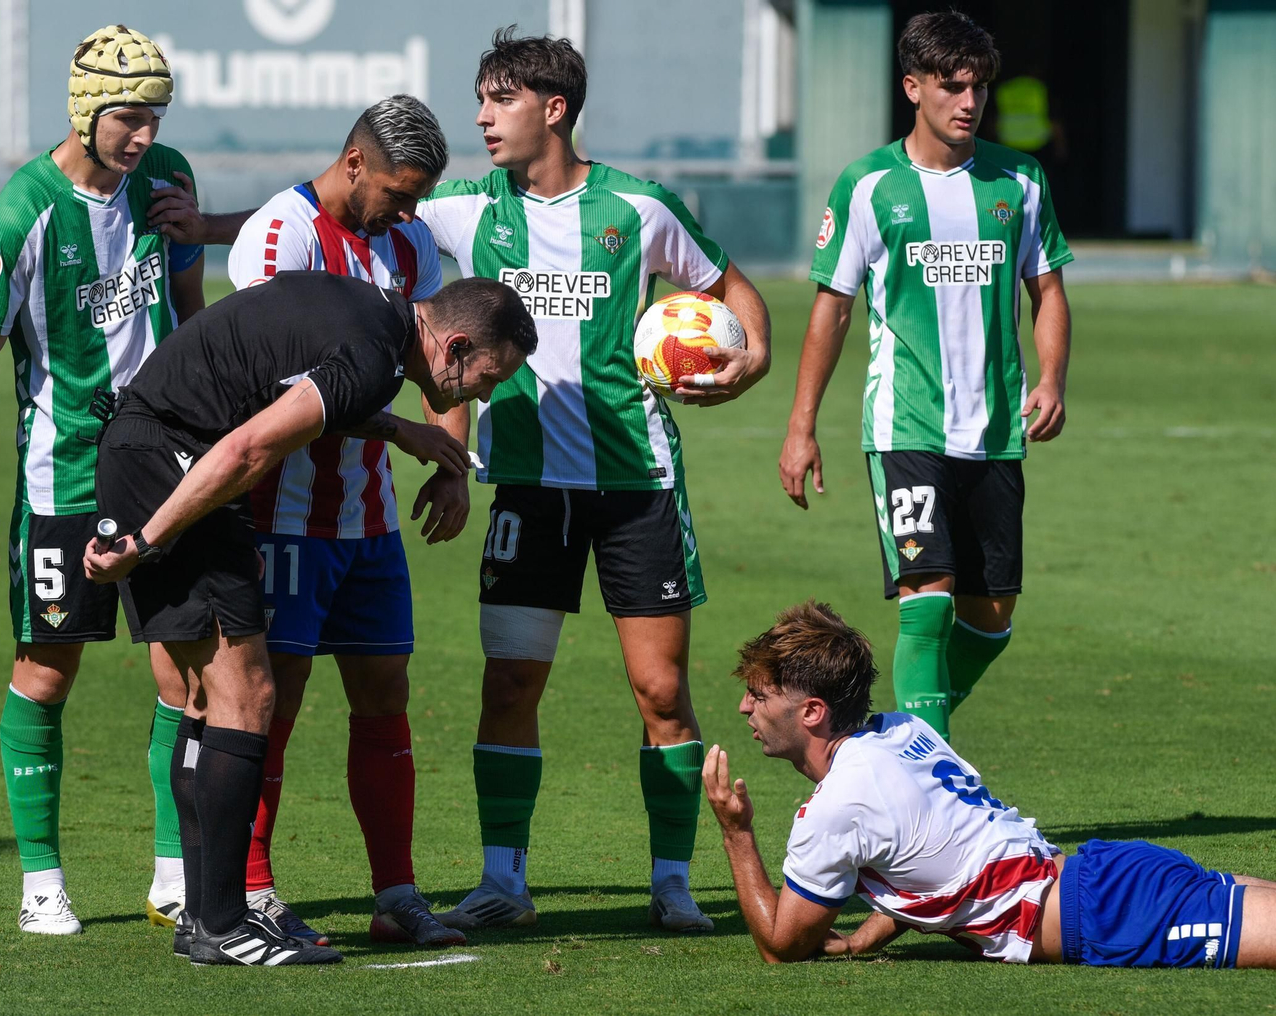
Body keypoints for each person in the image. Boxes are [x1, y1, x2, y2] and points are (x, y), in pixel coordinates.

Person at [406, 27, 772, 935]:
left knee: (660, 692)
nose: (484, 118)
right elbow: (355, 216)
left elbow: (730, 286)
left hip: (635, 485)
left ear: (554, 108)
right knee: (510, 685)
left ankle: (672, 882)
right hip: (526, 487)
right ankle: (503, 879)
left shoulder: (638, 208)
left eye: (501, 100)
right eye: (482, 100)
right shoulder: (461, 211)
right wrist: (452, 460)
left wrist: (752, 357)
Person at [82, 272, 536, 966]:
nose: (485, 392)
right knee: (249, 695)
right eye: (488, 375)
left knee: (207, 701)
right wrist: (145, 542)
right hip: (179, 465)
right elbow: (246, 450)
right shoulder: (370, 354)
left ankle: (204, 918)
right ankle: (227, 921)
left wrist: (397, 430)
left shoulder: (371, 314)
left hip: (150, 446)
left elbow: (297, 387)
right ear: (456, 344)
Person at [0, 23, 204, 936]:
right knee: (47, 676)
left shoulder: (168, 178)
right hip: (64, 478)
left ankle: (174, 874)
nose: (143, 136)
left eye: (155, 117)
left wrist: (194, 245)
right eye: (128, 118)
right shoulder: (23, 212)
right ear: (87, 111)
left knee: (186, 677)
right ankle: (41, 881)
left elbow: (188, 307)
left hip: (165, 471)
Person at [777, 11, 1073, 742]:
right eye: (951, 86)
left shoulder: (1020, 181)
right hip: (905, 425)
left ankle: (894, 742)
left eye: (977, 87)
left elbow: (1049, 294)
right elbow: (832, 311)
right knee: (928, 598)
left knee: (990, 619)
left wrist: (1052, 377)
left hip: (997, 430)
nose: (968, 102)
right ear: (913, 87)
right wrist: (801, 425)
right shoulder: (869, 185)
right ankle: (922, 786)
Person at [701, 600, 1276, 969]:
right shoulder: (903, 732)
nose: (744, 706)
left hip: (1100, 914)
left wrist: (736, 832)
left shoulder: (837, 807)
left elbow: (781, 946)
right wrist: (865, 937)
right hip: (1099, 877)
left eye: (760, 693)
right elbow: (932, 850)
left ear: (811, 712)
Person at [220, 95, 466, 948]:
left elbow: (447, 356)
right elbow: (276, 387)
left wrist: (453, 460)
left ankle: (396, 895)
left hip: (371, 519)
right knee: (268, 705)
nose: (408, 212)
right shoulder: (279, 235)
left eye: (418, 198)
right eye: (398, 193)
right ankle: (250, 891)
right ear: (354, 162)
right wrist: (401, 428)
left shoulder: (411, 240)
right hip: (282, 512)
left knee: (384, 699)